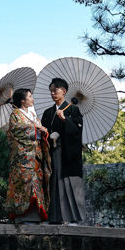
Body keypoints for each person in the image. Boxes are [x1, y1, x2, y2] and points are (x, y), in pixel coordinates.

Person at [40, 77, 85, 225]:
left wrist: (66, 119)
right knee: (53, 183)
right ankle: (54, 218)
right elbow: (43, 132)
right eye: (51, 91)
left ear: (64, 91)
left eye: (55, 90)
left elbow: (78, 129)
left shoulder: (73, 110)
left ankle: (73, 219)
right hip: (51, 152)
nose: (52, 93)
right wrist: (45, 133)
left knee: (70, 182)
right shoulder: (48, 112)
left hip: (67, 152)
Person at [5, 87, 50, 224]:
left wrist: (43, 130)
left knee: (36, 183)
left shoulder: (32, 115)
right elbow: (16, 131)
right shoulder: (15, 114)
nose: (32, 99)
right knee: (23, 184)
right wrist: (35, 128)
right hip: (23, 158)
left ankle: (36, 215)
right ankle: (22, 216)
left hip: (36, 155)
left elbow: (40, 130)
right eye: (30, 96)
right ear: (22, 100)